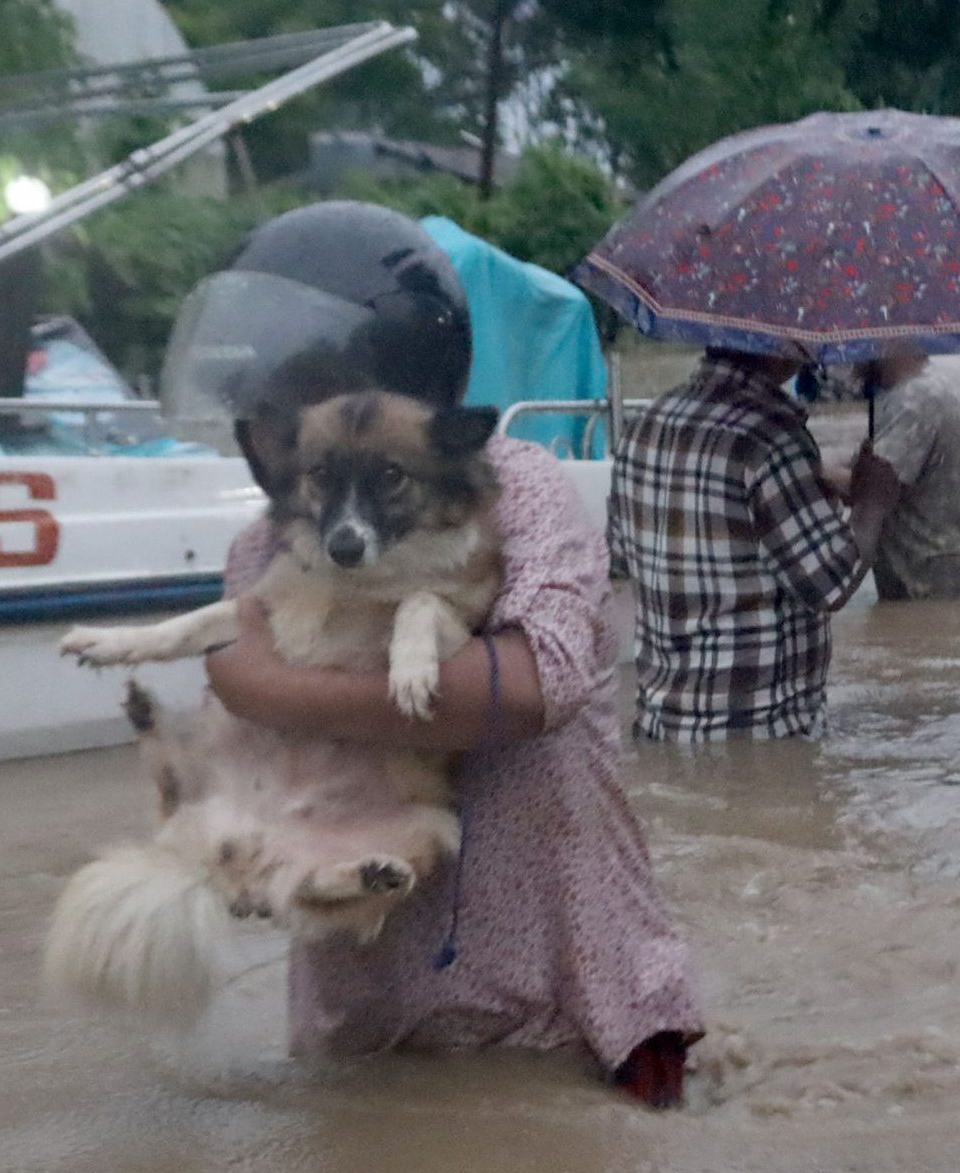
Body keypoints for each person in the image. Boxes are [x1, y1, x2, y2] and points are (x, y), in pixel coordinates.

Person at [166, 202, 701, 1108]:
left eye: (289, 402)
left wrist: (266, 684)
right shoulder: (265, 548)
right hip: (371, 1016)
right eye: (260, 413)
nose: (265, 433)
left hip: (567, 1002)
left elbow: (537, 685)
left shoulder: (521, 485)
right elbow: (260, 771)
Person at [607, 348, 899, 741]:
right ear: (775, 343)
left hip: (663, 725)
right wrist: (873, 503)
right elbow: (832, 581)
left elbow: (622, 560)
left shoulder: (646, 424)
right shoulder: (772, 437)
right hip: (763, 732)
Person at [853, 354, 960, 600]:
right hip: (951, 586)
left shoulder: (914, 399)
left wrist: (813, 471)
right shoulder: (923, 389)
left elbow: (877, 487)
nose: (852, 356)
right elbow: (869, 467)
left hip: (939, 594)